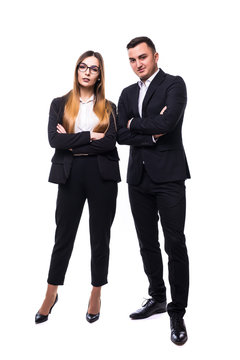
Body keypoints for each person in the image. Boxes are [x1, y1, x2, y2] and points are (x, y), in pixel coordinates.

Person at [35, 50, 121, 324]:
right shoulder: (59, 103)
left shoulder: (109, 107)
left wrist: (72, 139)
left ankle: (96, 292)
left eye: (93, 69)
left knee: (100, 236)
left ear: (99, 75)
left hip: (102, 175)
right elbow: (53, 141)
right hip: (70, 175)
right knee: (63, 236)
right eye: (82, 67)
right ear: (77, 70)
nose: (86, 72)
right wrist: (89, 135)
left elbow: (109, 142)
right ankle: (51, 293)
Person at [117, 37, 190, 345]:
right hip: (138, 179)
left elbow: (169, 121)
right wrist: (151, 130)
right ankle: (157, 297)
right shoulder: (126, 93)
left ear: (155, 55)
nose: (138, 64)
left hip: (169, 177)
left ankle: (177, 311)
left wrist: (137, 125)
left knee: (174, 244)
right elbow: (120, 133)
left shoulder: (174, 84)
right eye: (133, 60)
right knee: (147, 243)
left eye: (143, 57)